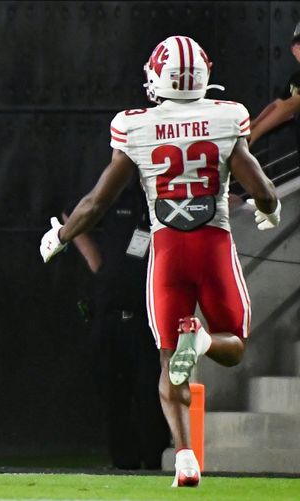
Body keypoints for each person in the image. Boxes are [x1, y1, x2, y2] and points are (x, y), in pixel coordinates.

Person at [40, 36, 281, 487]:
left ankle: (185, 455)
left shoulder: (135, 125)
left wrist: (60, 235)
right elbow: (264, 191)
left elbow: (95, 203)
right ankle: (206, 342)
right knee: (232, 345)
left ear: (157, 76)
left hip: (168, 251)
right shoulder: (227, 116)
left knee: (167, 359)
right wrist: (271, 211)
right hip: (213, 246)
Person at [64, 183, 170, 470]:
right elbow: (71, 211)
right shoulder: (112, 195)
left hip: (148, 318)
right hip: (110, 314)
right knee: (114, 395)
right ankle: (123, 462)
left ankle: (154, 459)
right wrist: (94, 261)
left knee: (152, 393)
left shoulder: (161, 196)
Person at [248, 22, 300, 151]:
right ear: (293, 50)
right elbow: (279, 104)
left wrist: (256, 132)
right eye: (298, 45)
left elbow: (291, 105)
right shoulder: (296, 78)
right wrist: (255, 123)